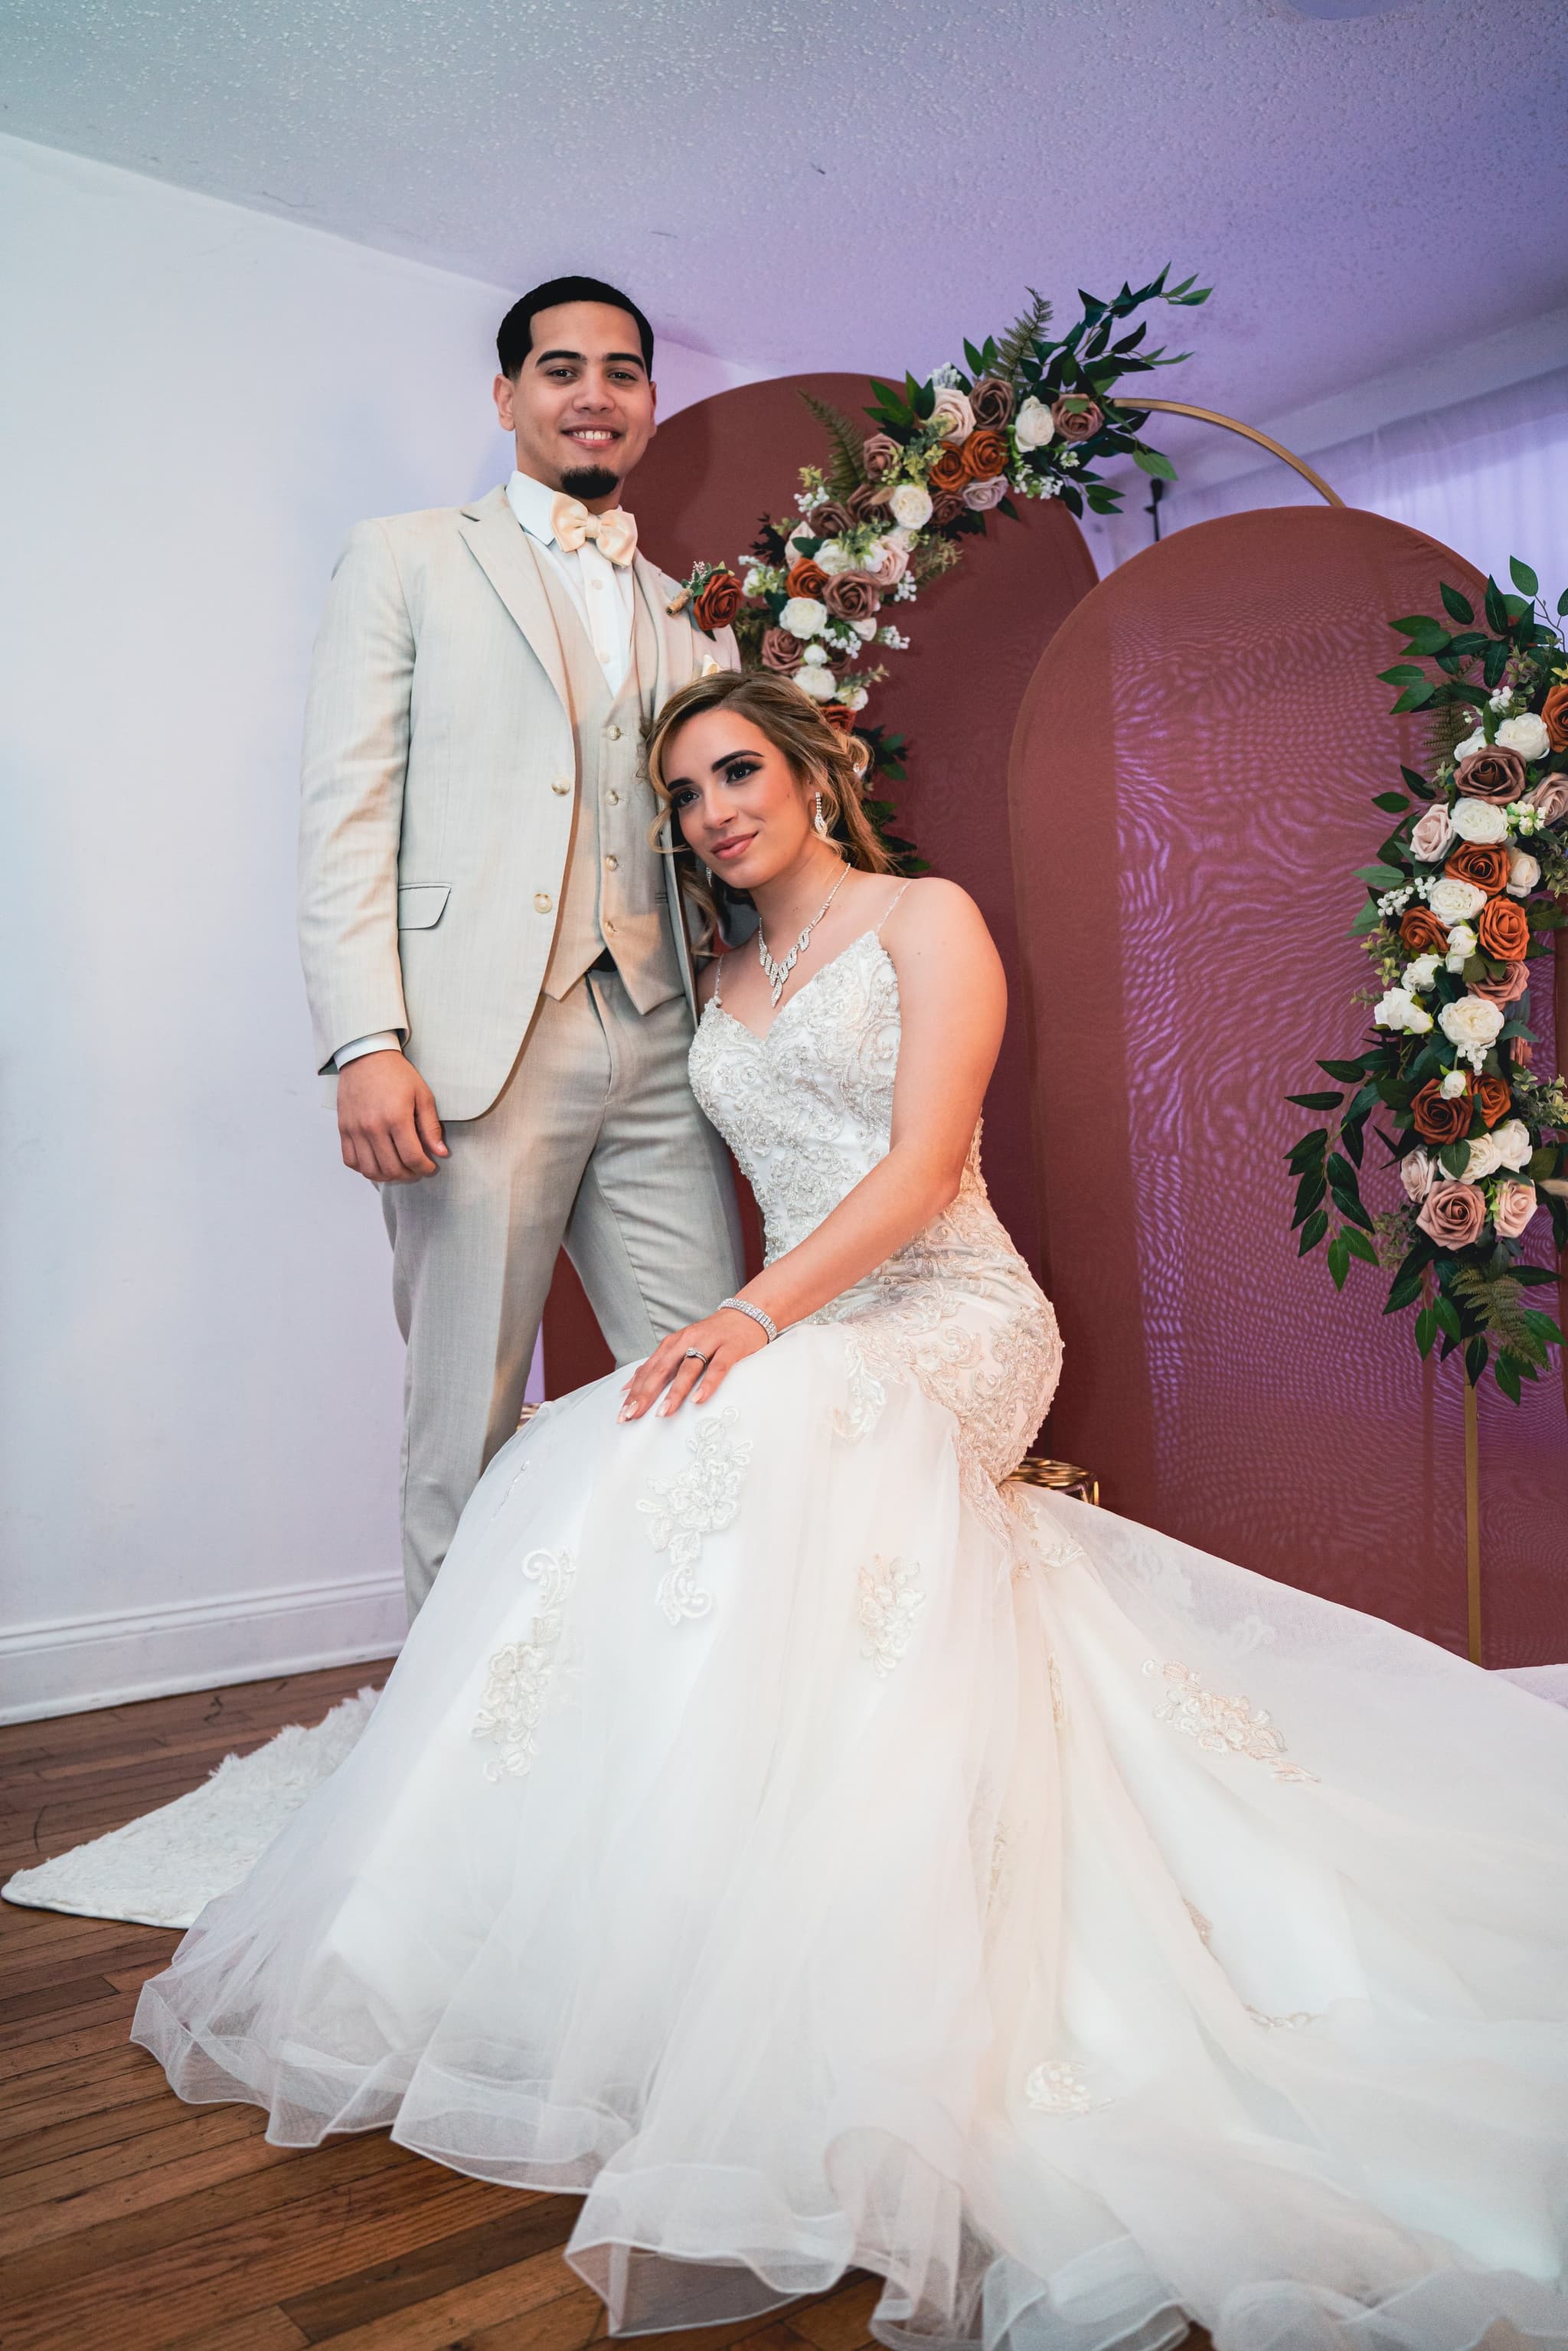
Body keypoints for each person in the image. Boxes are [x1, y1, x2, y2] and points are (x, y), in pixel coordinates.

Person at [139, 673, 1568, 2349]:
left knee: (754, 1402)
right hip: (813, 1333)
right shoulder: (717, 977)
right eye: (681, 794)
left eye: (736, 769)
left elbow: (911, 1172)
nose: (714, 809)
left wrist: (748, 1318)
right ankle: (642, 1926)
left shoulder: (926, 916)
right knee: (596, 1449)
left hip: (956, 1311)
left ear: (812, 766)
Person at [298, 275, 743, 1619]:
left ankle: (674, 1705)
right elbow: (347, 805)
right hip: (473, 1043)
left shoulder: (687, 611)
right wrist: (366, 1039)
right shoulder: (409, 555)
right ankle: (444, 1764)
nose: (592, 393)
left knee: (709, 1389)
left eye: (621, 371)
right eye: (561, 369)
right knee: (467, 1421)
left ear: (650, 406)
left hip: (661, 1032)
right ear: (508, 398)